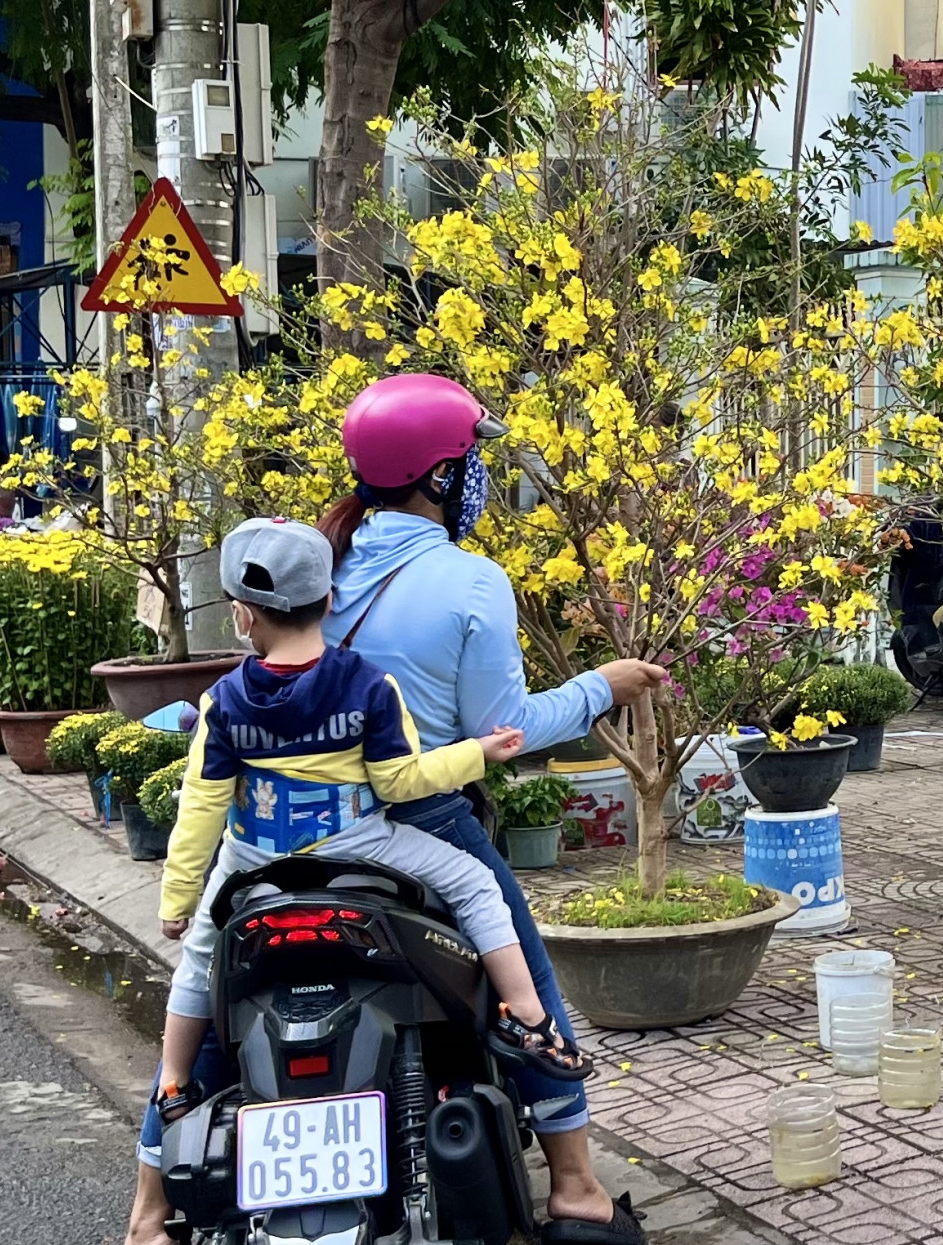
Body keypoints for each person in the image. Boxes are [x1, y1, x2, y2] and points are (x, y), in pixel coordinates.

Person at [124, 375, 665, 1245]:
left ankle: (149, 1209)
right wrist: (604, 684)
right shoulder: (468, 579)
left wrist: (180, 892)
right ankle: (575, 1184)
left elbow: (203, 794)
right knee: (522, 966)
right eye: (471, 461)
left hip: (263, 840)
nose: (479, 476)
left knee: (208, 997)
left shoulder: (314, 560)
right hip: (412, 824)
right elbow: (504, 730)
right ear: (444, 477)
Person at [153, 517, 590, 1126]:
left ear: (243, 616)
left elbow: (201, 806)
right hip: (359, 846)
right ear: (328, 601)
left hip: (252, 859)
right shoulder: (367, 684)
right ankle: (526, 1014)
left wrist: (177, 901)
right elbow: (398, 781)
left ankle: (174, 1085)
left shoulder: (224, 700)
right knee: (474, 883)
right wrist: (477, 754)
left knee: (202, 955)